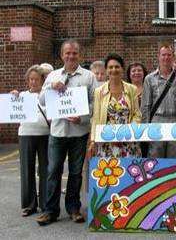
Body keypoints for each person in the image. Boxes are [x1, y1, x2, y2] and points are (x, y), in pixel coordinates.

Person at [36, 39, 97, 226]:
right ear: (62, 55)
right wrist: (51, 88)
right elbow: (42, 100)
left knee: (76, 173)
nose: (71, 56)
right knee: (53, 171)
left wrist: (83, 117)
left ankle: (73, 208)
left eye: (75, 53)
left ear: (80, 55)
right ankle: (50, 211)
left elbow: (95, 103)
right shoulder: (53, 76)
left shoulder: (88, 77)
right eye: (67, 53)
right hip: (58, 132)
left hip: (78, 132)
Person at [10, 65, 49, 217]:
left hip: (45, 134)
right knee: (27, 169)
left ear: (42, 80)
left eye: (36, 79)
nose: (33, 82)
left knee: (46, 170)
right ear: (27, 81)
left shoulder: (47, 95)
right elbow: (13, 107)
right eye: (31, 79)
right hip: (26, 134)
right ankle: (29, 205)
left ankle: (46, 203)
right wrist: (13, 96)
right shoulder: (22, 96)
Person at [141, 41, 176, 158]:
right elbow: (145, 106)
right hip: (157, 121)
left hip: (175, 121)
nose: (166, 57)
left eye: (169, 55)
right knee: (155, 157)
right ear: (159, 56)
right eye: (163, 55)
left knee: (174, 158)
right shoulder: (149, 79)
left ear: (172, 57)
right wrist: (145, 129)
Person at [89, 53, 142, 158]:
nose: (114, 70)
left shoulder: (132, 89)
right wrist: (93, 141)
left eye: (117, 67)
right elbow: (96, 118)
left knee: (130, 172)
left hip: (128, 140)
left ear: (122, 69)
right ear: (106, 70)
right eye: (110, 67)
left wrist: (127, 133)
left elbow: (137, 114)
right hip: (107, 142)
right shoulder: (99, 91)